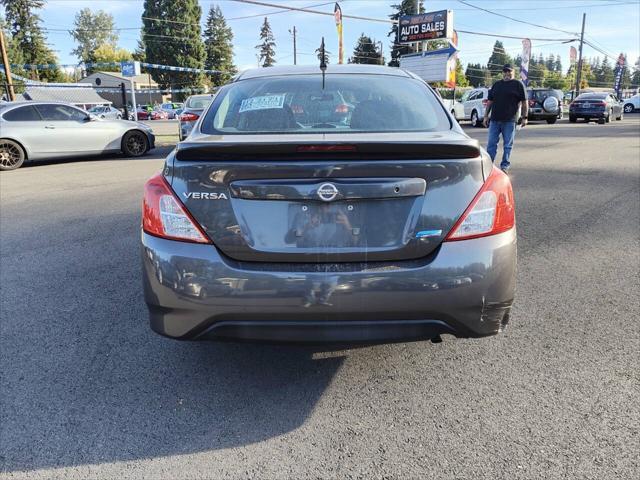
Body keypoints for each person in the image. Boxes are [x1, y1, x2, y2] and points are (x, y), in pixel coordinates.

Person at [483, 64, 528, 173]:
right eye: (505, 71)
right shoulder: (497, 85)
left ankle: (505, 166)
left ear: (513, 72)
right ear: (503, 72)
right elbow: (490, 102)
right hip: (494, 120)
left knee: (508, 145)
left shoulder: (518, 85)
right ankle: (489, 166)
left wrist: (524, 117)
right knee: (491, 144)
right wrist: (485, 116)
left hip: (509, 120)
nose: (507, 73)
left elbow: (524, 102)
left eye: (509, 71)